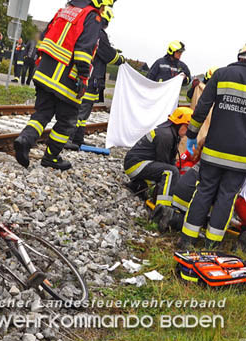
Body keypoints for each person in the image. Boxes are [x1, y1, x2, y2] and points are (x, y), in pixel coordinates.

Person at [179, 41, 246, 250]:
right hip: (243, 155)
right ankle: (212, 243)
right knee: (227, 196)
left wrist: (192, 134)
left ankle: (187, 239)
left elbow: (201, 108)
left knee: (204, 190)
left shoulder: (221, 74)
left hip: (214, 149)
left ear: (240, 57)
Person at [13, 0, 109, 170]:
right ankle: (51, 157)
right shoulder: (92, 17)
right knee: (67, 121)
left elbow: (44, 38)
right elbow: (83, 51)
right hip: (66, 79)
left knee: (42, 113)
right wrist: (83, 77)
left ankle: (25, 140)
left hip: (44, 72)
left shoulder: (65, 11)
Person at [68, 6, 123, 148]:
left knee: (82, 110)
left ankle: (77, 139)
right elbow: (108, 55)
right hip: (92, 79)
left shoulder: (90, 30)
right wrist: (120, 59)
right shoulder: (100, 34)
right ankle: (70, 138)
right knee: (82, 110)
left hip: (87, 77)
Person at [124, 107, 193, 214]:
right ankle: (163, 209)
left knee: (173, 171)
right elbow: (164, 163)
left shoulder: (171, 133)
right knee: (170, 172)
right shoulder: (166, 136)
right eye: (187, 127)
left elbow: (169, 161)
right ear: (179, 124)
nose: (188, 132)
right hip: (135, 165)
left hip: (138, 164)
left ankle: (138, 185)